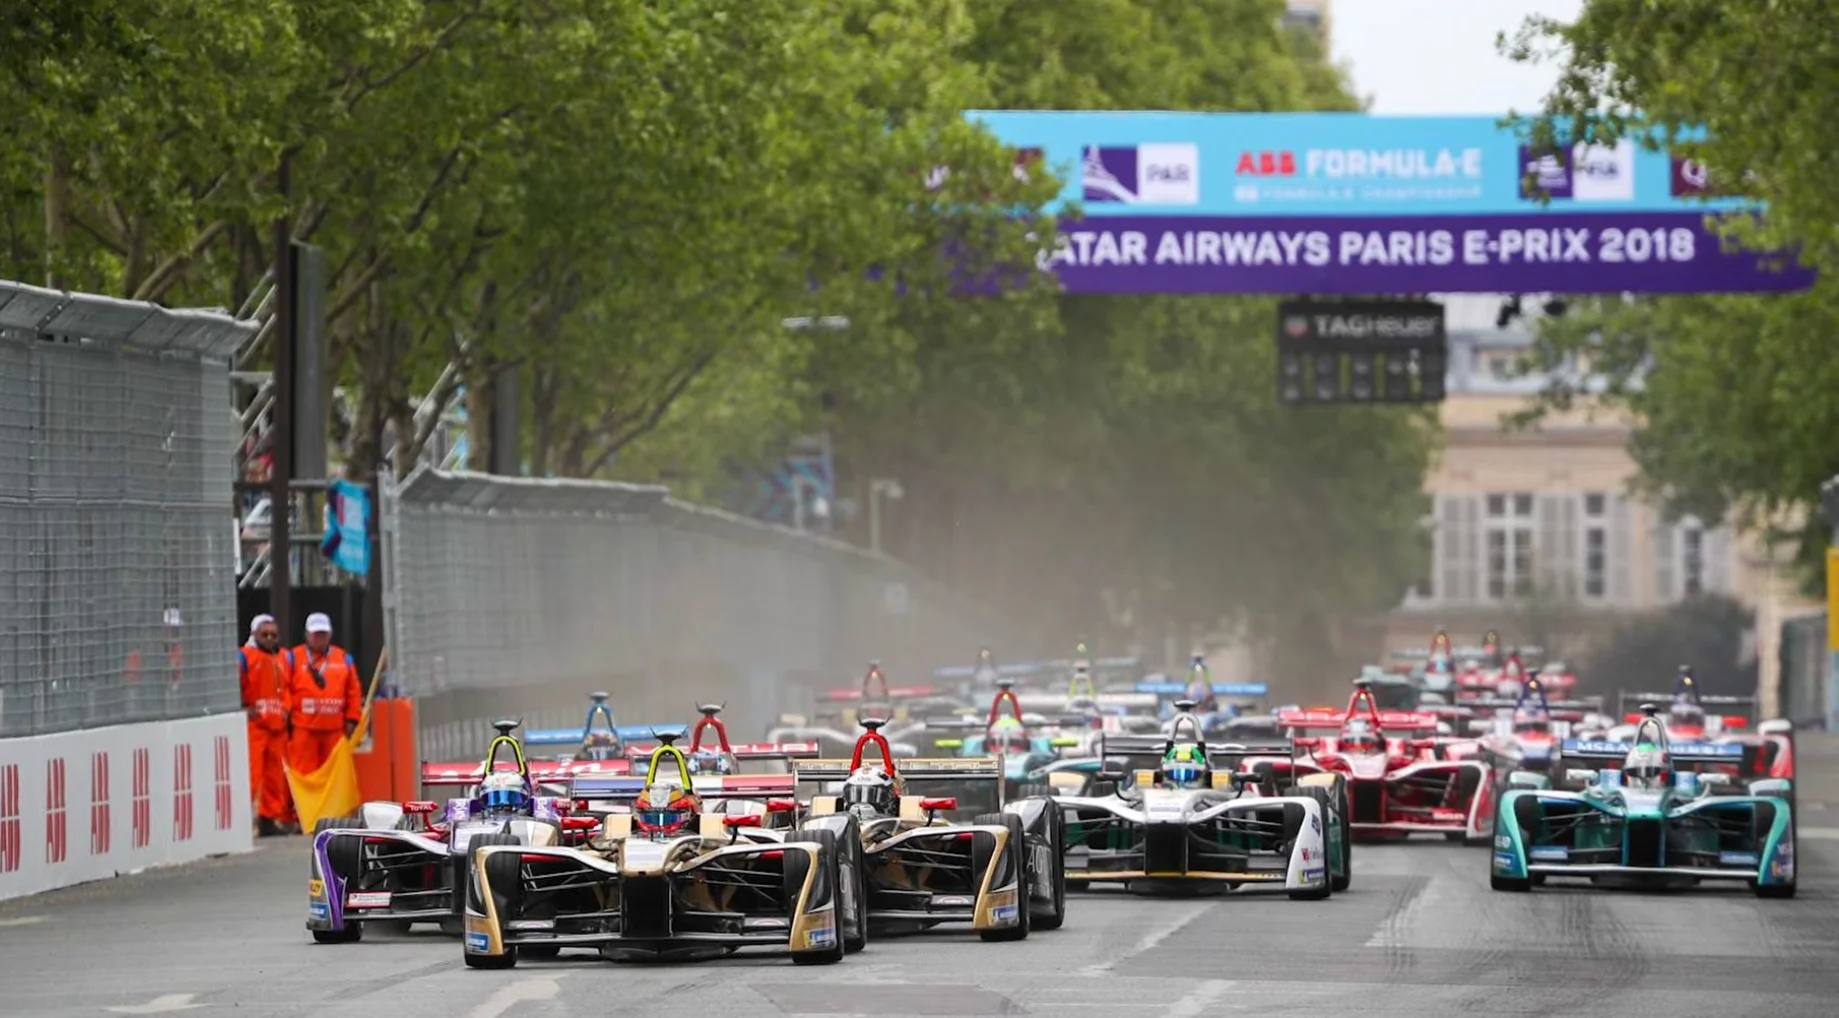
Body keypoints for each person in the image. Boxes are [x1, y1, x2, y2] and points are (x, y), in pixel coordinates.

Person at [286, 612, 363, 783]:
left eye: (323, 634)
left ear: (330, 634)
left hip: (335, 731)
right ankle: (301, 803)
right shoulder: (292, 658)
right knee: (304, 777)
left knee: (333, 778)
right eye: (316, 634)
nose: (319, 638)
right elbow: (283, 688)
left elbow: (354, 692)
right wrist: (286, 718)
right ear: (307, 635)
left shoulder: (344, 658)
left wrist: (352, 719)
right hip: (304, 731)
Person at [240, 614, 295, 836]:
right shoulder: (245, 656)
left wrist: (287, 709)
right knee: (251, 775)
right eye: (265, 634)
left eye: (273, 634)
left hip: (277, 726)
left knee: (275, 777)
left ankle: (268, 820)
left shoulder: (284, 657)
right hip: (255, 726)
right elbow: (236, 685)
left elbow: (289, 687)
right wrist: (244, 707)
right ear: (254, 634)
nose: (270, 638)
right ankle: (242, 820)